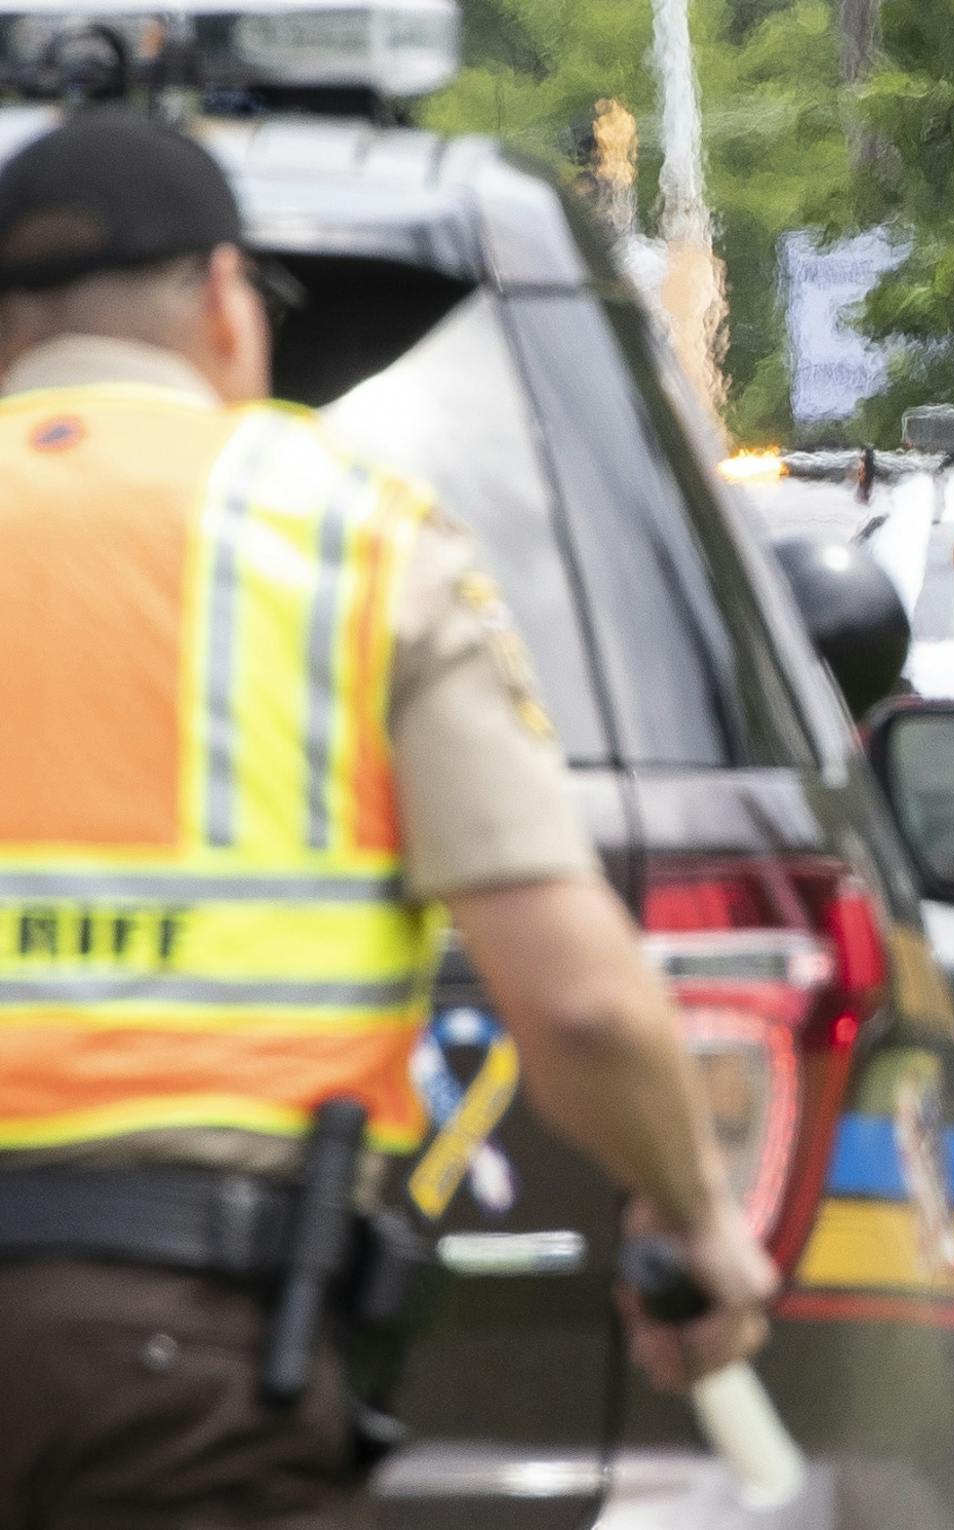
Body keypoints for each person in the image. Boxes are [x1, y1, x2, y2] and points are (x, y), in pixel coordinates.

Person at [0, 108, 773, 1525]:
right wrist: (690, 1211)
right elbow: (584, 1007)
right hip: (183, 1366)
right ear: (228, 301)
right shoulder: (349, 535)